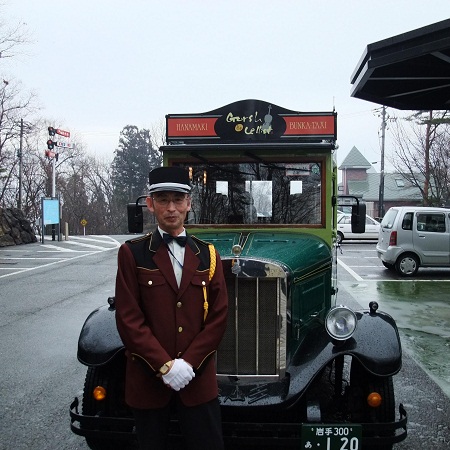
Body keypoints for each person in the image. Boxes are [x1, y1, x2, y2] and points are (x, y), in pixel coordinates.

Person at [115, 166, 228, 450]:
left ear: (189, 204)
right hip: (149, 383)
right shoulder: (132, 253)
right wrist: (165, 366)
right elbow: (129, 318)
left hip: (197, 380)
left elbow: (218, 316)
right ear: (151, 205)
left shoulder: (208, 254)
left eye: (178, 200)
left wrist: (188, 363)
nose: (172, 208)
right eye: (163, 200)